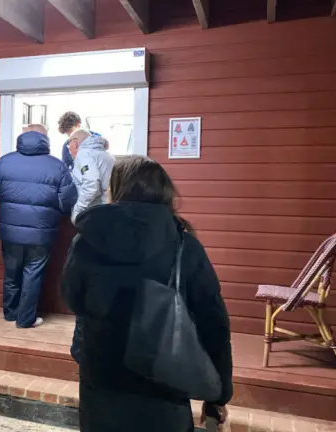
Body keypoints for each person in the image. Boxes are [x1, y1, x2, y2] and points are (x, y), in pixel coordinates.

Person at [61, 155, 233, 431]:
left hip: (102, 374)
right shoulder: (184, 244)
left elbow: (73, 297)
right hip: (165, 376)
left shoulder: (88, 238)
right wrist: (218, 394)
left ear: (116, 190)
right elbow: (213, 322)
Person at [0, 126, 77, 328]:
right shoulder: (57, 166)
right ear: (45, 140)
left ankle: (10, 313)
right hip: (42, 232)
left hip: (10, 231)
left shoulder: (5, 161)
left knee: (11, 272)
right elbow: (68, 200)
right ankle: (25, 319)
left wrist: (4, 200)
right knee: (33, 273)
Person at [67, 129, 115, 222]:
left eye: (69, 144)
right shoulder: (107, 155)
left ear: (75, 143)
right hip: (107, 208)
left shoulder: (84, 154)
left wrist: (78, 210)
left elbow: (91, 185)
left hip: (93, 212)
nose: (69, 148)